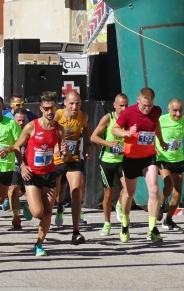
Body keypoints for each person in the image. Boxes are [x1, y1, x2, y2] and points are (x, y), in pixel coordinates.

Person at [13, 91, 66, 256]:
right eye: (47, 108)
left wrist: (64, 152)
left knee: (48, 211)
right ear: (41, 108)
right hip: (32, 174)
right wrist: (22, 165)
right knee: (37, 212)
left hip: (49, 173)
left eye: (53, 108)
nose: (50, 112)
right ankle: (30, 206)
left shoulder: (60, 129)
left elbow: (63, 154)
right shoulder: (31, 126)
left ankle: (39, 244)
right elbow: (16, 147)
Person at [111, 87, 168, 243]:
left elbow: (155, 125)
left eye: (149, 105)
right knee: (129, 193)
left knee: (154, 189)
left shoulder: (157, 111)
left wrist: (161, 141)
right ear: (138, 100)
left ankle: (152, 229)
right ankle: (124, 223)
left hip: (149, 156)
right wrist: (127, 133)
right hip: (131, 157)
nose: (146, 109)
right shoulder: (128, 112)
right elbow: (115, 129)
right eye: (144, 105)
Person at [53, 91, 92, 245]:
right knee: (56, 192)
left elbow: (87, 129)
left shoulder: (83, 116)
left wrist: (87, 145)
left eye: (77, 103)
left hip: (73, 158)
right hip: (56, 159)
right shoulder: (57, 115)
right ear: (65, 103)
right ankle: (59, 208)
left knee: (76, 191)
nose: (74, 106)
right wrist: (55, 147)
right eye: (71, 103)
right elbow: (47, 131)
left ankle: (75, 231)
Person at [90, 93, 129, 236]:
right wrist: (108, 143)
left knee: (128, 189)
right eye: (121, 106)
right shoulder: (108, 118)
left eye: (126, 105)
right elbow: (93, 137)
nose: (124, 108)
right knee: (108, 193)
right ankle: (107, 222)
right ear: (114, 105)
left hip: (123, 160)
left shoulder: (129, 118)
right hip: (107, 160)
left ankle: (119, 204)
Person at [157, 99, 184, 231]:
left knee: (177, 193)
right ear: (168, 110)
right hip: (163, 158)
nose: (178, 113)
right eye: (175, 110)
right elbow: (152, 134)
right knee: (168, 185)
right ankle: (161, 204)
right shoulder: (161, 120)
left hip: (178, 159)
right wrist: (154, 148)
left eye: (180, 110)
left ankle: (168, 220)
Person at [0, 95, 22, 244]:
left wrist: (8, 149)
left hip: (7, 167)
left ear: (3, 107)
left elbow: (19, 143)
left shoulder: (11, 124)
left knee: (0, 198)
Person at [9, 109, 28, 229]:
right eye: (18, 120)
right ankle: (16, 216)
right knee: (14, 189)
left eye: (23, 120)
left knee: (24, 191)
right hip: (14, 164)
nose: (21, 123)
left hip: (29, 164)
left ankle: (29, 204)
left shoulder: (30, 129)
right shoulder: (10, 129)